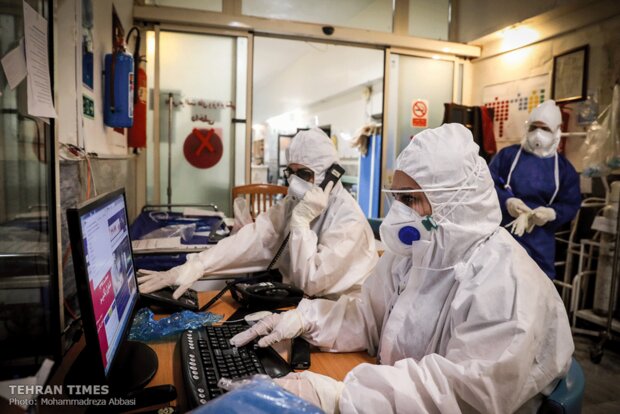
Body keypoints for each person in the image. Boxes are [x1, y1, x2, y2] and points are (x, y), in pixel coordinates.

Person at [230, 123, 574, 413]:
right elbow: (368, 316)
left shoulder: (506, 283)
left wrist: (341, 397)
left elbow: (463, 392)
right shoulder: (418, 250)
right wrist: (305, 319)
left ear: (454, 202)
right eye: (398, 198)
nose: (400, 213)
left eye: (410, 199)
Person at [138, 128, 378, 300]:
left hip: (341, 315)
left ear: (331, 176)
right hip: (302, 305)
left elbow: (312, 282)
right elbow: (257, 236)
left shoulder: (348, 221)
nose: (294, 183)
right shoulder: (295, 202)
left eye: (304, 174)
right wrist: (197, 265)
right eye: (290, 173)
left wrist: (301, 223)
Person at [488, 100, 581, 279]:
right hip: (502, 234)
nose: (538, 133)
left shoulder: (563, 169)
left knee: (537, 290)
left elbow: (571, 202)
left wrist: (551, 214)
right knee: (498, 283)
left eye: (545, 129)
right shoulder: (508, 156)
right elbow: (487, 184)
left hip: (539, 241)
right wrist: (506, 201)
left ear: (556, 132)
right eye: (534, 127)